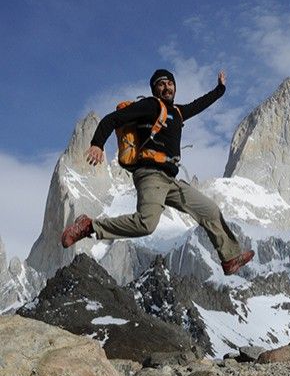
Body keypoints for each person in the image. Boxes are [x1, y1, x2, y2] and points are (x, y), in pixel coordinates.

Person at [61, 68, 254, 276]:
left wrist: (220, 89)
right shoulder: (150, 105)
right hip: (150, 174)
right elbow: (112, 119)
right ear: (155, 89)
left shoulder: (178, 112)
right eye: (161, 84)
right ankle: (89, 226)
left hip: (171, 181)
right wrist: (97, 143)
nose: (167, 87)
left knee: (210, 210)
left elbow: (199, 105)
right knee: (146, 224)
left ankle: (230, 258)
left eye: (170, 83)